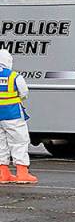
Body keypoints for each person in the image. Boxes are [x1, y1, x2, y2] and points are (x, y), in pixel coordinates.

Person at [0, 49, 35, 184]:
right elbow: (24, 93)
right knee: (19, 142)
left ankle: (3, 174)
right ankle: (22, 173)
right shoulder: (14, 76)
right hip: (13, 114)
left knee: (1, 143)